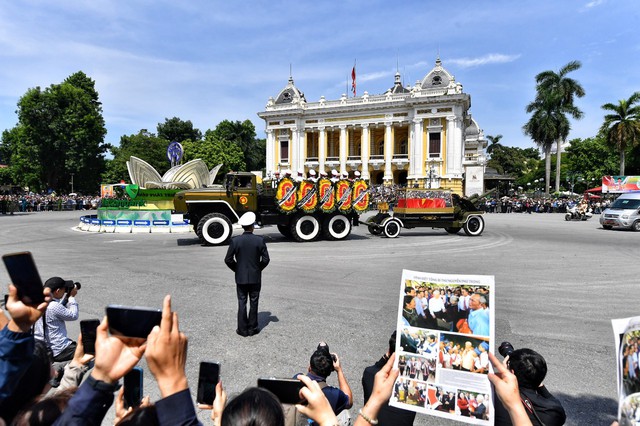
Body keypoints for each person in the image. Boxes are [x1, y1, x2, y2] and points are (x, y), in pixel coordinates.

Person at [224, 211, 270, 337]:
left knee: (242, 302)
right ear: (252, 226)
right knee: (254, 302)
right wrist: (257, 269)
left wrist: (237, 269)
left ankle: (242, 329)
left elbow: (228, 259)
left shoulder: (235, 241)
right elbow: (266, 259)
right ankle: (253, 328)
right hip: (255, 277)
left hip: (241, 277)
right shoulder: (259, 240)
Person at [494, 348, 566, 426]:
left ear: (512, 373)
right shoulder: (553, 411)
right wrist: (536, 378)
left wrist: (504, 375)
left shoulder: (496, 398)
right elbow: (552, 401)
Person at [296, 342, 353, 419]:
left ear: (309, 367)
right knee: (344, 414)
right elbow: (349, 401)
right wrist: (339, 370)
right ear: (330, 372)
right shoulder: (335, 394)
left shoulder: (297, 379)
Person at [34, 277, 80, 362]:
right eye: (64, 289)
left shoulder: (38, 301)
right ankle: (60, 368)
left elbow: (58, 310)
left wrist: (66, 297)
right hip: (58, 350)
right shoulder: (54, 306)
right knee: (89, 350)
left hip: (41, 348)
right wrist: (71, 298)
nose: (65, 291)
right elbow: (73, 315)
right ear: (58, 291)